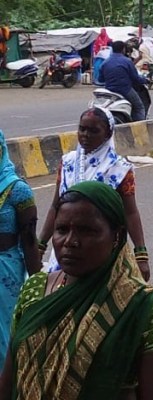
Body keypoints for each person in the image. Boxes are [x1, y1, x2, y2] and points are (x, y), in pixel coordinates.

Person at [0, 181, 153, 399]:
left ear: (117, 236)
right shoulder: (34, 290)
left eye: (87, 231)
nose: (70, 241)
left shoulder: (144, 307)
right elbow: (7, 383)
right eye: (62, 230)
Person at [40, 107, 150, 280]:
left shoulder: (119, 168)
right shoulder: (68, 163)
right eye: (82, 129)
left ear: (107, 134)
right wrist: (40, 245)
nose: (85, 135)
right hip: (67, 248)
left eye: (93, 130)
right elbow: (56, 206)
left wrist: (141, 254)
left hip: (101, 249)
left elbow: (130, 212)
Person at [0, 131, 41, 366]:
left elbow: (29, 243)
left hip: (6, 273)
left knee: (5, 337)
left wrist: (39, 289)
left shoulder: (18, 190)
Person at [100, 40, 148, 121]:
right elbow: (135, 78)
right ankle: (140, 126)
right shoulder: (127, 61)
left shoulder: (105, 62)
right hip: (125, 89)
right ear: (123, 49)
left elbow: (100, 79)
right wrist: (145, 80)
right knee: (139, 107)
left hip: (109, 91)